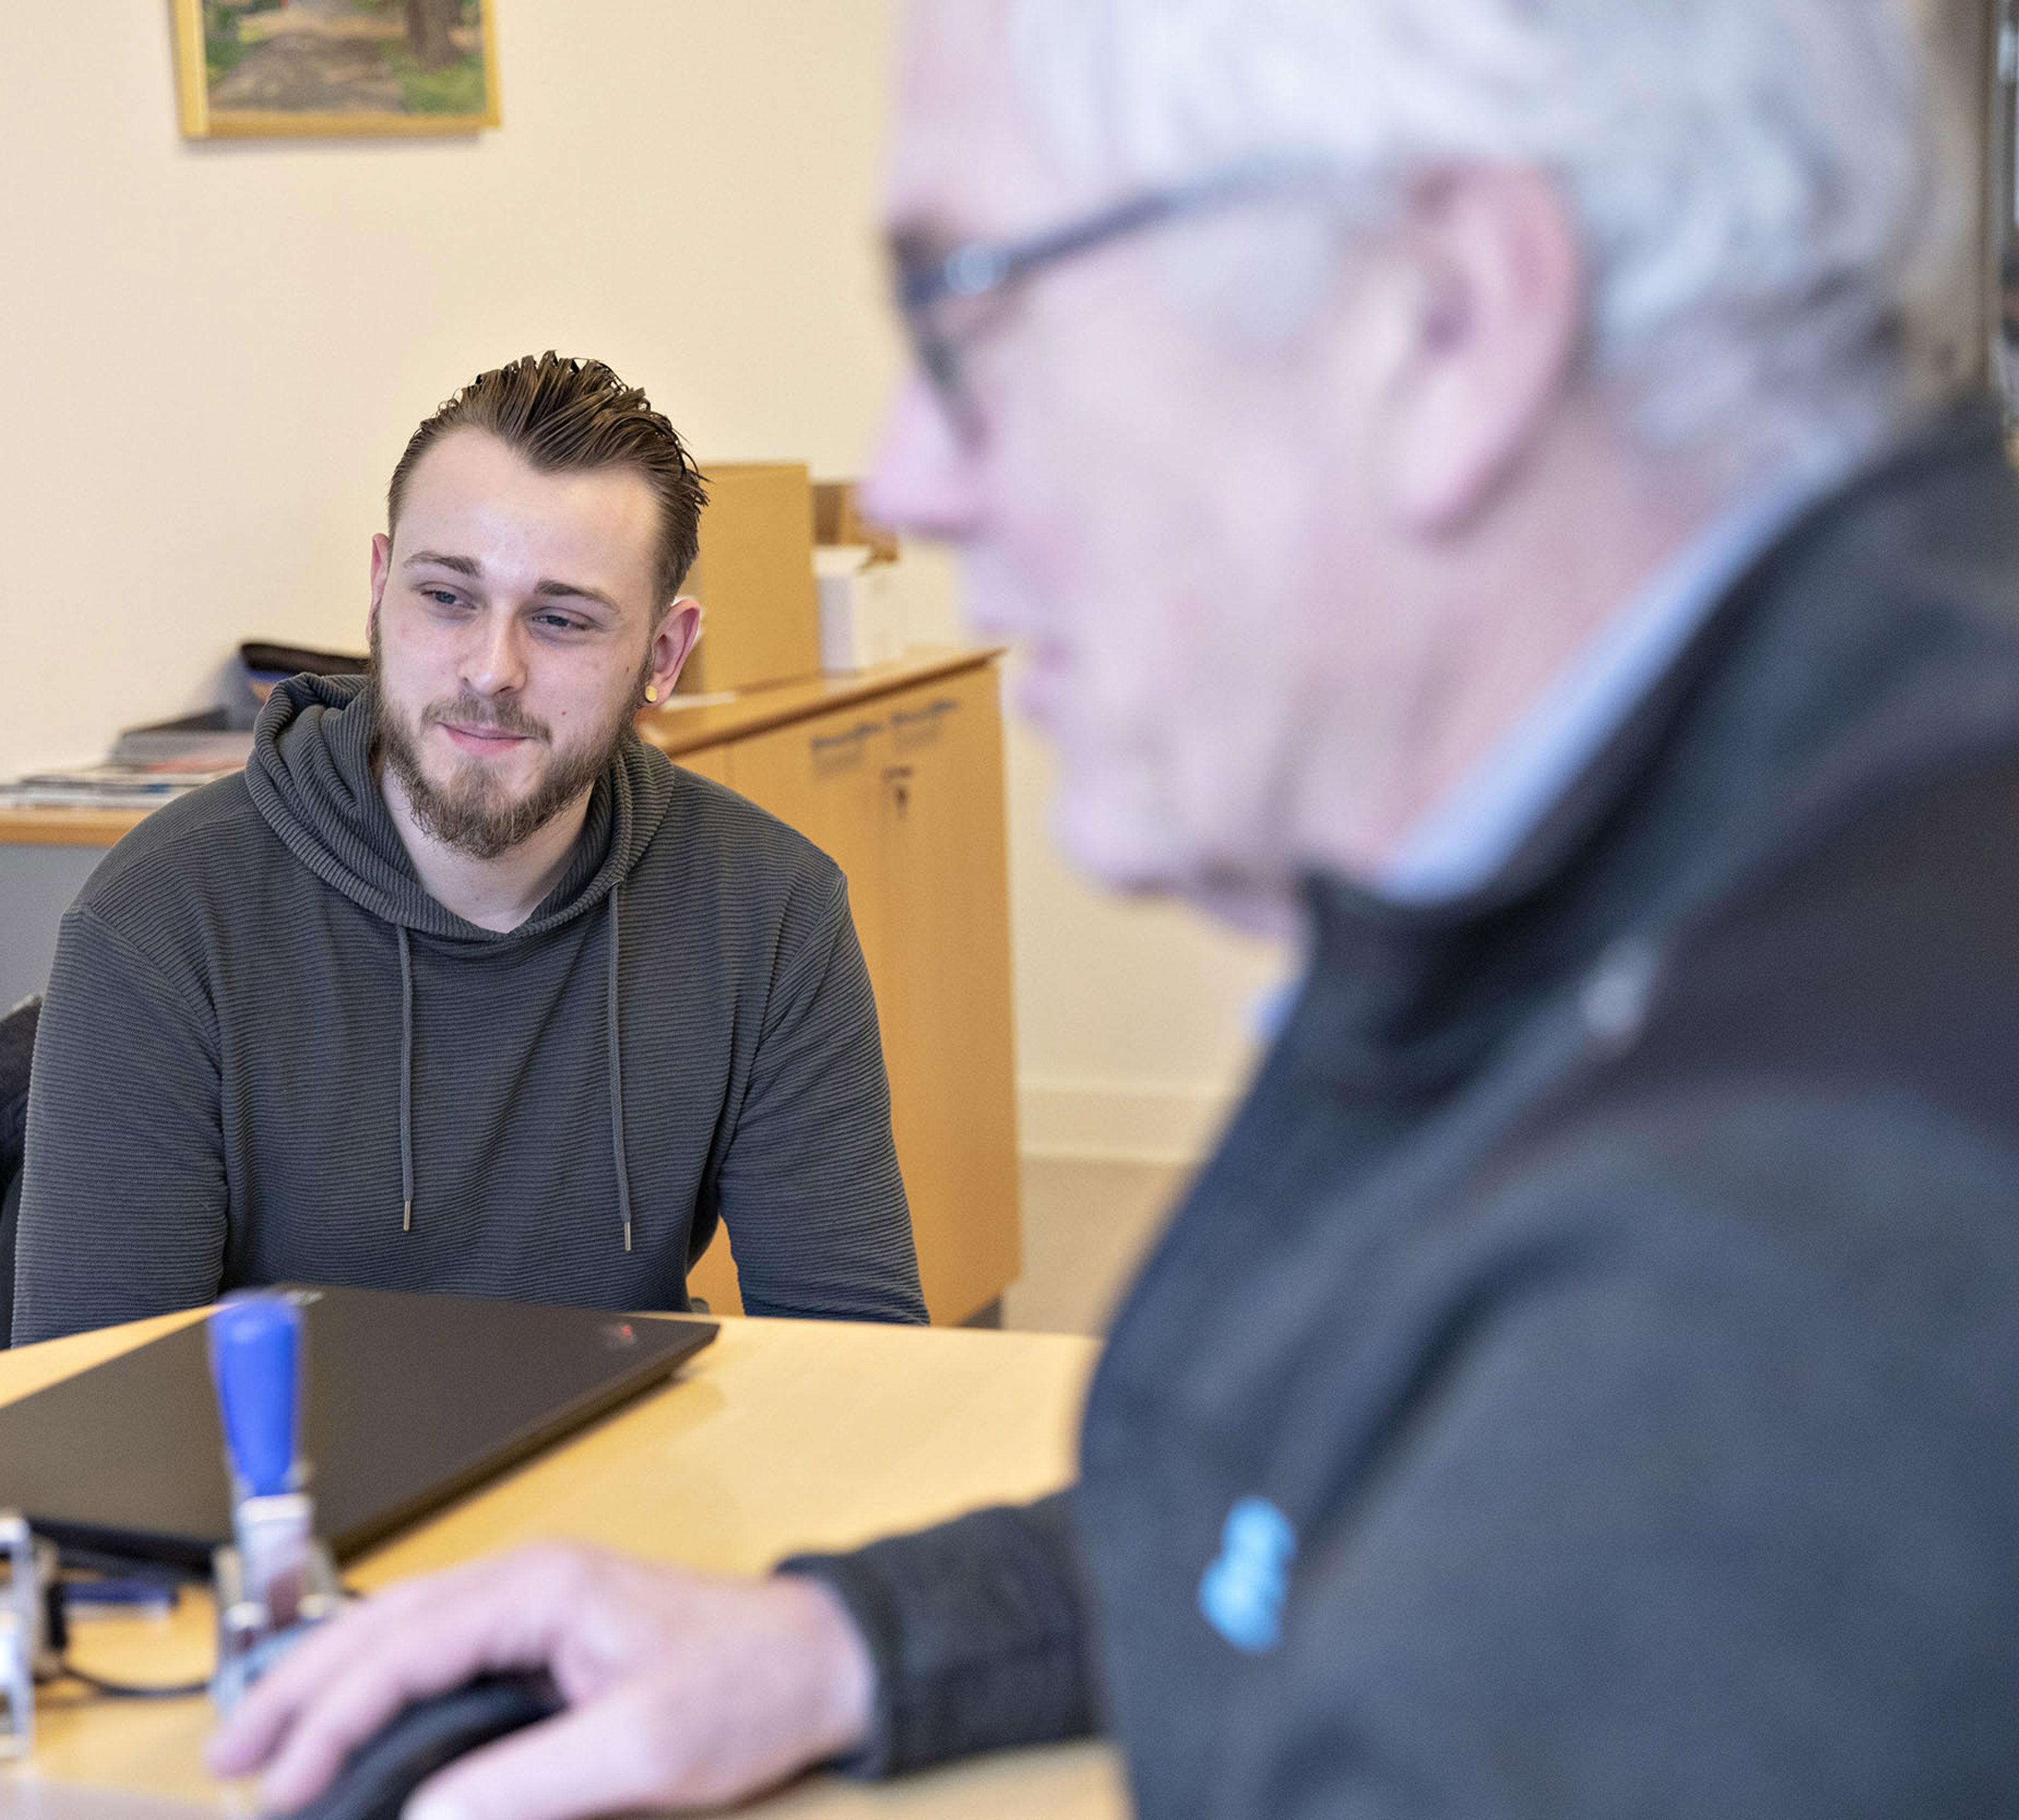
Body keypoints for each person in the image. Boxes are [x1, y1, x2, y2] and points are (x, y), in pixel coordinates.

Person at [209, 1, 2019, 1815]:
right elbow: (1313, 1500)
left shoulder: (1810, 1216)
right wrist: (839, 1644)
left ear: (1452, 319)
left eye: (978, 309)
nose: (913, 477)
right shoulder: (1706, 865)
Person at [11, 354, 926, 1344]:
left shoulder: (769, 907)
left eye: (562, 619)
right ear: (379, 591)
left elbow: (860, 1355)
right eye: (448, 597)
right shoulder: (160, 920)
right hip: (290, 1452)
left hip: (629, 1437)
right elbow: (95, 1400)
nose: (493, 671)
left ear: (663, 656)